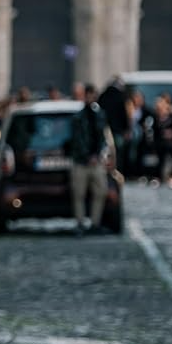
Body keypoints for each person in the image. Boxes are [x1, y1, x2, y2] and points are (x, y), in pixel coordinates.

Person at [69, 84, 109, 235]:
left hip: (95, 160)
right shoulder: (78, 117)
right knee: (79, 193)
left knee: (101, 190)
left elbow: (102, 137)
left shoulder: (99, 115)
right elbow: (77, 140)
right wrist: (87, 155)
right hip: (81, 161)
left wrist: (97, 154)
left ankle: (95, 222)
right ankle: (80, 223)